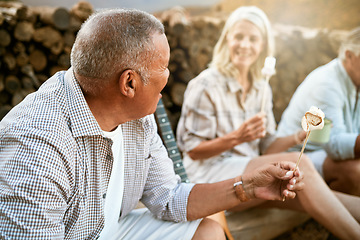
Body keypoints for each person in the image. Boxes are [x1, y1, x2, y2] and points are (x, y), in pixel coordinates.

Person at [0, 8, 305, 240]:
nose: (169, 77)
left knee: (207, 231)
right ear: (129, 82)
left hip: (110, 230)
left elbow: (169, 198)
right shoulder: (37, 147)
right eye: (163, 67)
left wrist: (248, 186)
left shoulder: (139, 118)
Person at [176, 6, 360, 239]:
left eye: (253, 39)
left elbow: (267, 149)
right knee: (297, 164)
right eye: (239, 37)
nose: (245, 45)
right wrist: (237, 137)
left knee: (307, 186)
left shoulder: (261, 87)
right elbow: (192, 152)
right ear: (226, 40)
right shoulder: (205, 85)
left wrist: (299, 137)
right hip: (210, 177)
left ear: (262, 45)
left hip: (250, 173)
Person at [276, 27, 360, 196]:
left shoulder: (355, 78)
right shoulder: (327, 85)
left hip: (321, 154)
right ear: (349, 56)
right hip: (295, 156)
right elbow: (334, 145)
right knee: (355, 172)